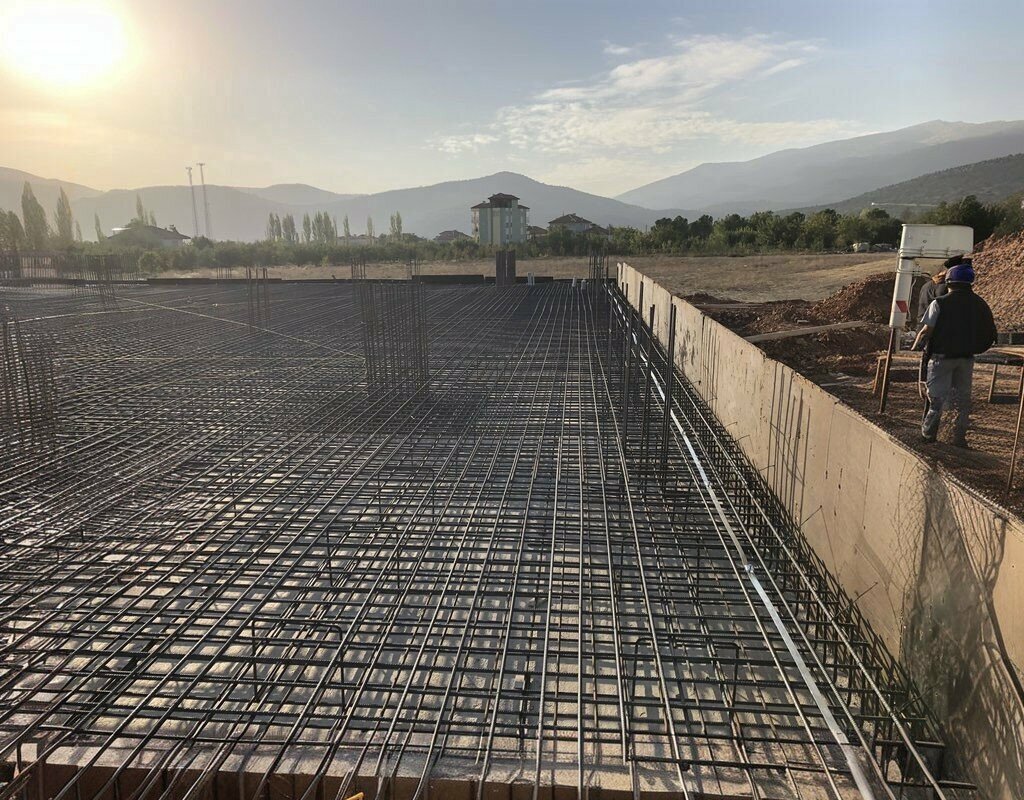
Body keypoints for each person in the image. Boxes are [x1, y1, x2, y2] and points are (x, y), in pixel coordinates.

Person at [911, 260, 997, 446]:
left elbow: (927, 330)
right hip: (966, 359)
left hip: (941, 359)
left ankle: (927, 436)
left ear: (948, 282)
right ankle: (958, 438)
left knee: (937, 400)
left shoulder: (939, 303)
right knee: (962, 401)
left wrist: (916, 345)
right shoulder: (980, 303)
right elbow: (990, 331)